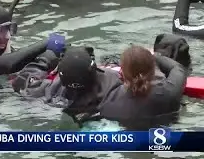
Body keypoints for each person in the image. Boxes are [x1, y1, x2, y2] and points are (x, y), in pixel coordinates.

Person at [10, 34, 191, 128]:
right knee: (172, 43)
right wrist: (153, 56)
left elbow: (22, 81)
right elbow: (178, 70)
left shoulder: (107, 107)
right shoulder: (114, 85)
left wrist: (49, 55)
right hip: (165, 127)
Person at [95, 46, 188, 130]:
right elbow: (178, 68)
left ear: (121, 73)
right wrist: (155, 56)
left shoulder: (109, 103)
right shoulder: (169, 91)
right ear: (153, 71)